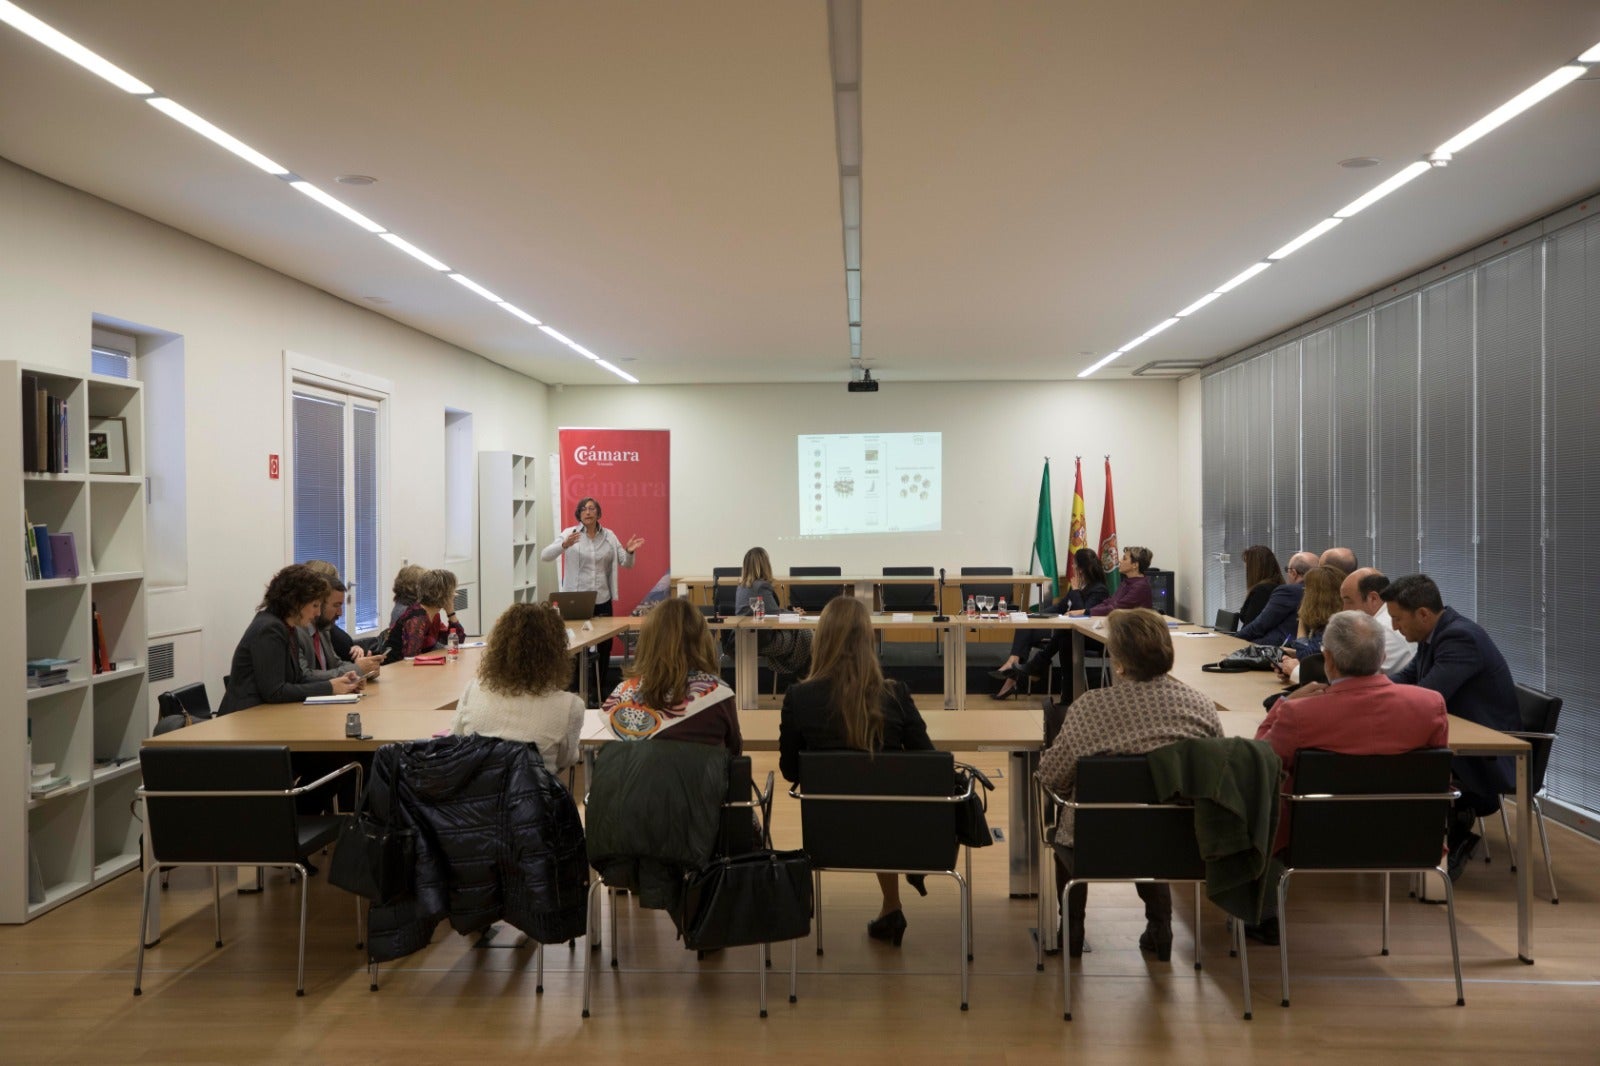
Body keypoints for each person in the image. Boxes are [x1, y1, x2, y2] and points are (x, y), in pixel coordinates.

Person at [1038, 608, 1223, 958]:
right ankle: (1160, 925)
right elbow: (1211, 773)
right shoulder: (1199, 706)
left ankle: (1072, 927)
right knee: (1152, 818)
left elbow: (1052, 775)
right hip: (1178, 841)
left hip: (1096, 840)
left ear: (1118, 658)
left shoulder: (1092, 708)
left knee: (1092, 820)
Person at [780, 597, 934, 946]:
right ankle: (892, 904)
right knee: (879, 800)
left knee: (864, 799)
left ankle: (891, 907)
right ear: (869, 640)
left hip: (828, 836)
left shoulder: (799, 698)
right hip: (893, 836)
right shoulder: (895, 695)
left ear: (822, 639)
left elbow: (790, 771)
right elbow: (930, 764)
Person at [1256, 611, 1448, 854]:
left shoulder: (1298, 714)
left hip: (1315, 837)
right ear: (1383, 658)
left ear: (1328, 659)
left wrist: (1282, 704)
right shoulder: (1431, 705)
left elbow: (1259, 761)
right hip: (1406, 837)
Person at [1382, 574, 1518, 879]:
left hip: (1484, 757)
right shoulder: (1434, 635)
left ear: (1423, 614)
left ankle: (1444, 840)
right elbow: (1407, 679)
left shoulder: (1459, 637)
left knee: (1391, 759)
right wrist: (1366, 693)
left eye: (1397, 619)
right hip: (1457, 739)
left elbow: (1429, 695)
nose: (1393, 627)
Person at [451, 602, 585, 773]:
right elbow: (567, 759)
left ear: (498, 645)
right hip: (533, 796)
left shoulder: (473, 690)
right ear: (557, 652)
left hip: (477, 795)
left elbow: (456, 738)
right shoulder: (570, 707)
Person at [219, 564, 363, 713]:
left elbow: (299, 679)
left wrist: (341, 682)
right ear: (296, 602)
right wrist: (330, 687)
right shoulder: (269, 629)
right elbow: (275, 691)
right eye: (314, 605)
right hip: (245, 716)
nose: (318, 613)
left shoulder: (287, 627)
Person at [602, 596, 740, 750]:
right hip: (697, 774)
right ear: (702, 640)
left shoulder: (620, 697)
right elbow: (734, 752)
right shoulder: (718, 697)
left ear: (648, 640)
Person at [542, 496, 645, 698]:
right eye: (583, 509)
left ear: (598, 513)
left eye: (592, 508)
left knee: (604, 645)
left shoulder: (609, 536)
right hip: (575, 600)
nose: (588, 512)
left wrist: (630, 551)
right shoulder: (569, 534)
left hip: (602, 598)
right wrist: (563, 545)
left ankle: (599, 689)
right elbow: (545, 556)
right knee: (577, 645)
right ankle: (577, 690)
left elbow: (626, 563)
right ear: (579, 514)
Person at [990, 548, 1108, 698]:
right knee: (1026, 622)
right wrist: (1035, 615)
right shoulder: (1081, 586)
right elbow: (1060, 607)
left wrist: (1076, 590)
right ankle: (1014, 665)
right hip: (1066, 629)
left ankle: (1018, 671)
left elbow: (1084, 614)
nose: (1072, 567)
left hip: (1084, 635)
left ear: (1081, 569)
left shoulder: (1099, 589)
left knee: (1052, 633)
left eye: (1074, 564)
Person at [1276, 568, 1414, 684]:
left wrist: (1297, 671)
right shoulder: (1379, 622)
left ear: (1373, 598)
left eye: (1348, 601)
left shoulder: (1383, 630)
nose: (1343, 609)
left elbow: (1351, 683)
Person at [298, 561, 383, 682]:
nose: (340, 613)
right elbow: (305, 676)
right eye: (336, 605)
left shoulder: (323, 629)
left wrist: (366, 670)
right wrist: (358, 669)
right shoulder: (296, 631)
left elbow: (335, 663)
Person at [736, 546, 812, 676]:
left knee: (802, 634)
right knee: (806, 633)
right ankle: (804, 675)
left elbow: (768, 611)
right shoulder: (761, 586)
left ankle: (801, 675)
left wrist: (790, 612)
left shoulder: (742, 586)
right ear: (765, 565)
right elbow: (774, 615)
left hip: (743, 638)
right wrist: (795, 614)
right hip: (763, 640)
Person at [1236, 550, 1315, 645]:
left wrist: (1230, 639)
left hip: (1274, 649)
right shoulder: (1321, 593)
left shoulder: (1289, 591)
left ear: (1294, 573)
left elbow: (1260, 625)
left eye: (1287, 570)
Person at [390, 569, 465, 660]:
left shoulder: (434, 615)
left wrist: (451, 613)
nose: (455, 595)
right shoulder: (417, 617)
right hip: (395, 668)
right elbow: (411, 658)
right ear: (441, 594)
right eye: (452, 591)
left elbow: (456, 642)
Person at [1067, 545, 1153, 617]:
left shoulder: (1141, 586)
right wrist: (1086, 610)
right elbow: (1109, 602)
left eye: (1124, 559)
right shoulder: (1126, 582)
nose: (1119, 560)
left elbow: (1116, 608)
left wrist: (1085, 612)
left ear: (1135, 565)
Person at [1283, 564, 1341, 658]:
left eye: (1306, 590)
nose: (1304, 594)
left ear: (1316, 596)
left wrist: (1302, 618)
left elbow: (1306, 657)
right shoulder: (1327, 621)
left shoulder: (1331, 628)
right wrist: (1293, 652)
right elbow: (1315, 653)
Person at [1236, 545, 1285, 627]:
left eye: (1247, 564)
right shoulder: (1278, 586)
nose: (1245, 568)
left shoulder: (1262, 591)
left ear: (1255, 567)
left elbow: (1250, 625)